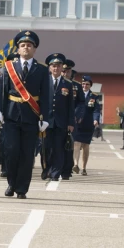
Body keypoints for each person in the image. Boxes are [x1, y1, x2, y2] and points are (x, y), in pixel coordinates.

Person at [0, 30, 50, 199]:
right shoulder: (9, 67)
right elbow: (2, 91)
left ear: (35, 49)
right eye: (22, 45)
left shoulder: (41, 70)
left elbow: (46, 95)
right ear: (18, 49)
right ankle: (11, 183)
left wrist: (45, 118)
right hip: (11, 115)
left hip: (31, 116)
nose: (26, 48)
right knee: (11, 152)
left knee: (27, 154)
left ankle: (22, 188)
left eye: (29, 45)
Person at [42, 53, 74, 181]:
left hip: (61, 122)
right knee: (46, 148)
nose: (56, 68)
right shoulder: (44, 82)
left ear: (62, 68)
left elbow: (70, 105)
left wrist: (71, 123)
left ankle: (55, 172)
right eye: (53, 66)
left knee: (59, 148)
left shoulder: (68, 84)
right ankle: (47, 169)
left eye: (58, 66)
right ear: (50, 68)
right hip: (46, 121)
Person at [60, 59, 84, 180]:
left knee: (69, 144)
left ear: (71, 71)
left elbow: (81, 103)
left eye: (67, 71)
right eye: (63, 71)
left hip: (71, 119)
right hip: (58, 118)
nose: (65, 73)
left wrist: (76, 115)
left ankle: (67, 169)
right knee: (55, 145)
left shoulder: (77, 86)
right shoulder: (56, 83)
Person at [72, 76, 99, 176]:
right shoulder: (76, 94)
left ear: (90, 85)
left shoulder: (94, 96)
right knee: (76, 143)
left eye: (87, 84)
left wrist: (96, 119)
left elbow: (96, 110)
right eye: (83, 84)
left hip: (88, 124)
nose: (85, 86)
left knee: (85, 146)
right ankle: (75, 164)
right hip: (77, 123)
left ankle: (84, 167)